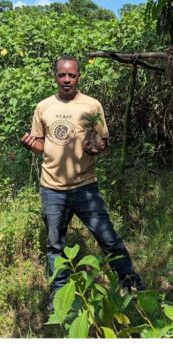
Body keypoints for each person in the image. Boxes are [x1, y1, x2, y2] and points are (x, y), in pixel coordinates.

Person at [21, 55, 144, 311]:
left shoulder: (92, 106)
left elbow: (102, 141)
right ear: (55, 76)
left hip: (85, 187)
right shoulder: (43, 107)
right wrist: (32, 145)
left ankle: (132, 284)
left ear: (78, 77)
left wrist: (96, 147)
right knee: (55, 245)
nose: (67, 79)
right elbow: (42, 144)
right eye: (62, 75)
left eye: (72, 75)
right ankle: (59, 297)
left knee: (108, 239)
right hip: (52, 188)